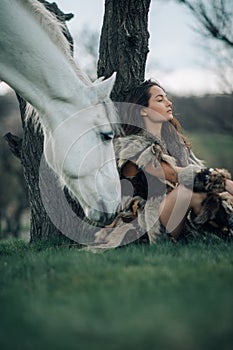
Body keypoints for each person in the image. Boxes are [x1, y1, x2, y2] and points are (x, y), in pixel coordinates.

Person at [110, 79, 233, 244]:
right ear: (143, 111)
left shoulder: (175, 145)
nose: (169, 103)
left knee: (211, 197)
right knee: (186, 191)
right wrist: (221, 181)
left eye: (166, 98)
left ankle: (226, 234)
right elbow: (173, 175)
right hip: (144, 225)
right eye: (160, 100)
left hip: (174, 217)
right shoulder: (131, 147)